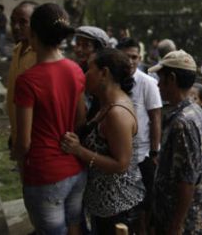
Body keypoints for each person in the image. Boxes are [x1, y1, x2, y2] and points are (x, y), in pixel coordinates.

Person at [13, 3, 86, 234]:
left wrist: (17, 156)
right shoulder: (75, 70)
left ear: (33, 35)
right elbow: (80, 120)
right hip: (75, 170)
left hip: (45, 174)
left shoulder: (27, 81)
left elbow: (24, 143)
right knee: (74, 226)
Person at [61, 48, 145, 233]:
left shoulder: (117, 113)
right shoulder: (105, 104)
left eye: (89, 69)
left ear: (104, 73)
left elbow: (121, 163)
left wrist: (79, 151)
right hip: (105, 205)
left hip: (119, 207)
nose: (84, 74)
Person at [149, 50, 202, 234]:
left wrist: (176, 225)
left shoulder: (182, 122)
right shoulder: (195, 111)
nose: (159, 85)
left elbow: (187, 180)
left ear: (172, 78)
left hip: (180, 222)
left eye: (161, 79)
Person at [117, 38, 163, 233]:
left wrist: (154, 151)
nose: (130, 61)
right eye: (126, 57)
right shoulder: (113, 80)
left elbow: (156, 118)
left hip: (143, 153)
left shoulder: (148, 83)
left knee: (144, 205)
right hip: (118, 153)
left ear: (140, 58)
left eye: (134, 57)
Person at [6, 1, 36, 153]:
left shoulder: (40, 55)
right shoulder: (17, 49)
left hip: (34, 139)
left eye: (23, 22)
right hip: (17, 131)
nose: (16, 27)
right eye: (13, 21)